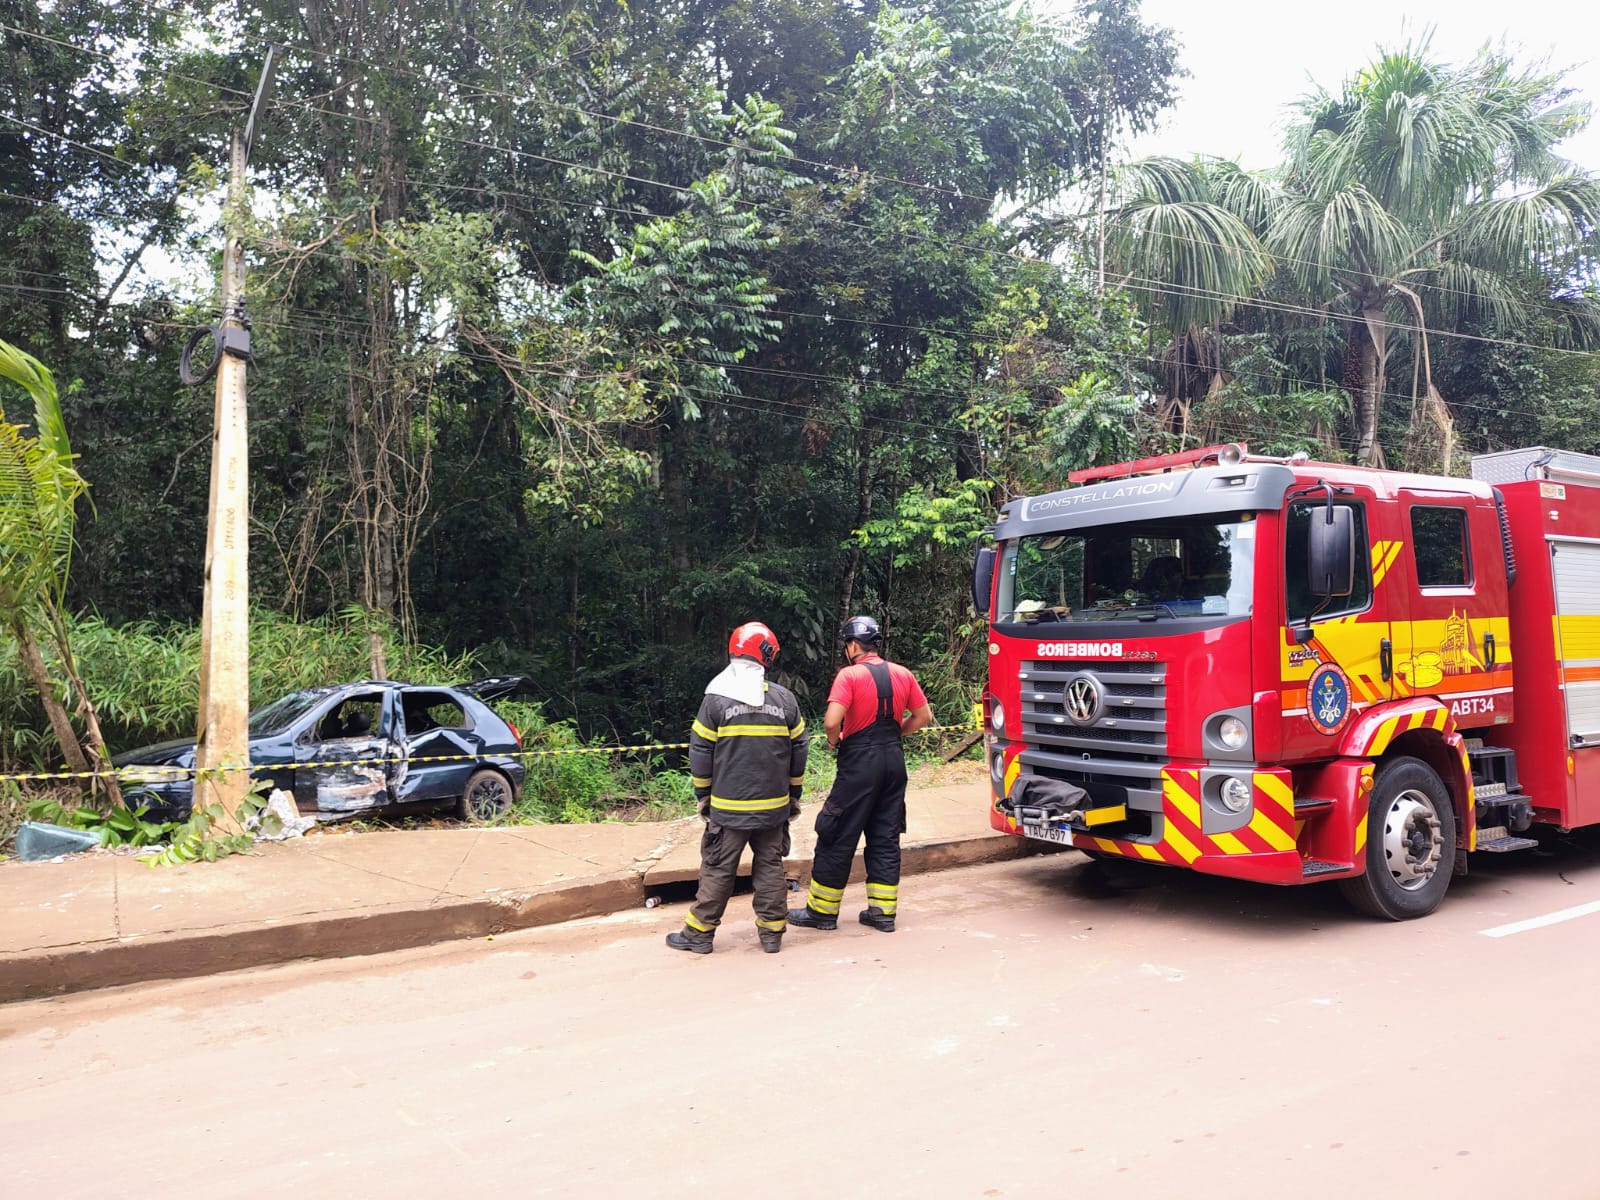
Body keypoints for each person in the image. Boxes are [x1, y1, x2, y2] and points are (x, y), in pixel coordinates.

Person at [667, 621, 809, 955]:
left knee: (718, 868)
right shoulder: (785, 700)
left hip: (729, 809)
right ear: (766, 656)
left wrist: (703, 795)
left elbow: (700, 751)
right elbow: (800, 748)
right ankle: (772, 934)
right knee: (770, 866)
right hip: (773, 808)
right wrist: (793, 795)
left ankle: (699, 934)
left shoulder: (715, 701)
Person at [789, 616, 932, 934]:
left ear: (853, 646)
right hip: (894, 762)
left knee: (837, 832)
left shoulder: (849, 675)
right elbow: (923, 716)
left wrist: (834, 740)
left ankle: (822, 912)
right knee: (885, 836)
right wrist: (895, 734)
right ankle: (882, 913)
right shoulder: (903, 673)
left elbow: (831, 721)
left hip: (859, 764)